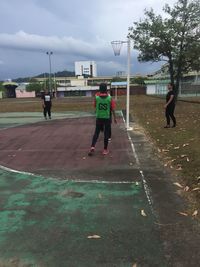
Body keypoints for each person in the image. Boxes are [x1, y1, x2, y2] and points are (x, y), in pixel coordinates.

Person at [88, 83, 117, 156]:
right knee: (106, 134)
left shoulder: (96, 98)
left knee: (96, 133)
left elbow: (94, 106)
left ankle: (92, 147)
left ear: (100, 89)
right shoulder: (110, 98)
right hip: (106, 118)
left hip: (99, 118)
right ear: (106, 89)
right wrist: (115, 118)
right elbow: (113, 109)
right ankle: (105, 150)